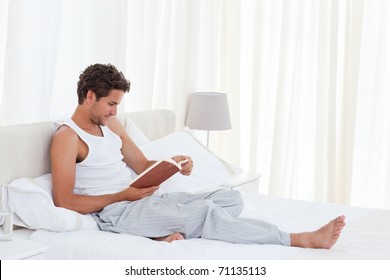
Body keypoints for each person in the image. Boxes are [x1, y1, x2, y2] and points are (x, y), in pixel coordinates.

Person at [50, 63, 346, 247]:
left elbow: (141, 164)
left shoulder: (110, 124)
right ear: (90, 96)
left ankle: (163, 231)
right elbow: (64, 201)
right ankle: (298, 238)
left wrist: (172, 166)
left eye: (117, 105)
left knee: (230, 198)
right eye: (111, 104)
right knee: (204, 212)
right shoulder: (68, 137)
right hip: (116, 212)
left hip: (143, 200)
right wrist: (123, 196)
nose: (115, 112)